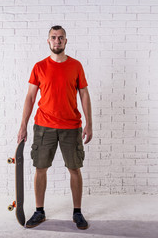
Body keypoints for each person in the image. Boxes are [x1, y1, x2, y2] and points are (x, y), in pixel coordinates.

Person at [17, 25, 93, 230]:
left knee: (74, 169)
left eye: (61, 38)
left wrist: (89, 123)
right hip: (44, 126)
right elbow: (30, 96)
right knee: (40, 168)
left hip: (71, 126)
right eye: (53, 37)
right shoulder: (39, 66)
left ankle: (77, 213)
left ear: (66, 41)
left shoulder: (76, 65)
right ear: (48, 41)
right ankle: (39, 211)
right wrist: (23, 124)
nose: (57, 41)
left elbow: (84, 94)